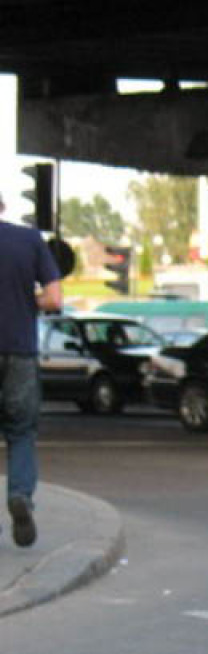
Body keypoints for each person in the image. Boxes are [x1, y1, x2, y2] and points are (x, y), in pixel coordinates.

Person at [0, 192, 63, 547]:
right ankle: (20, 495)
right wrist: (27, 301)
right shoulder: (28, 240)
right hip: (20, 352)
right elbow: (54, 299)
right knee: (21, 431)